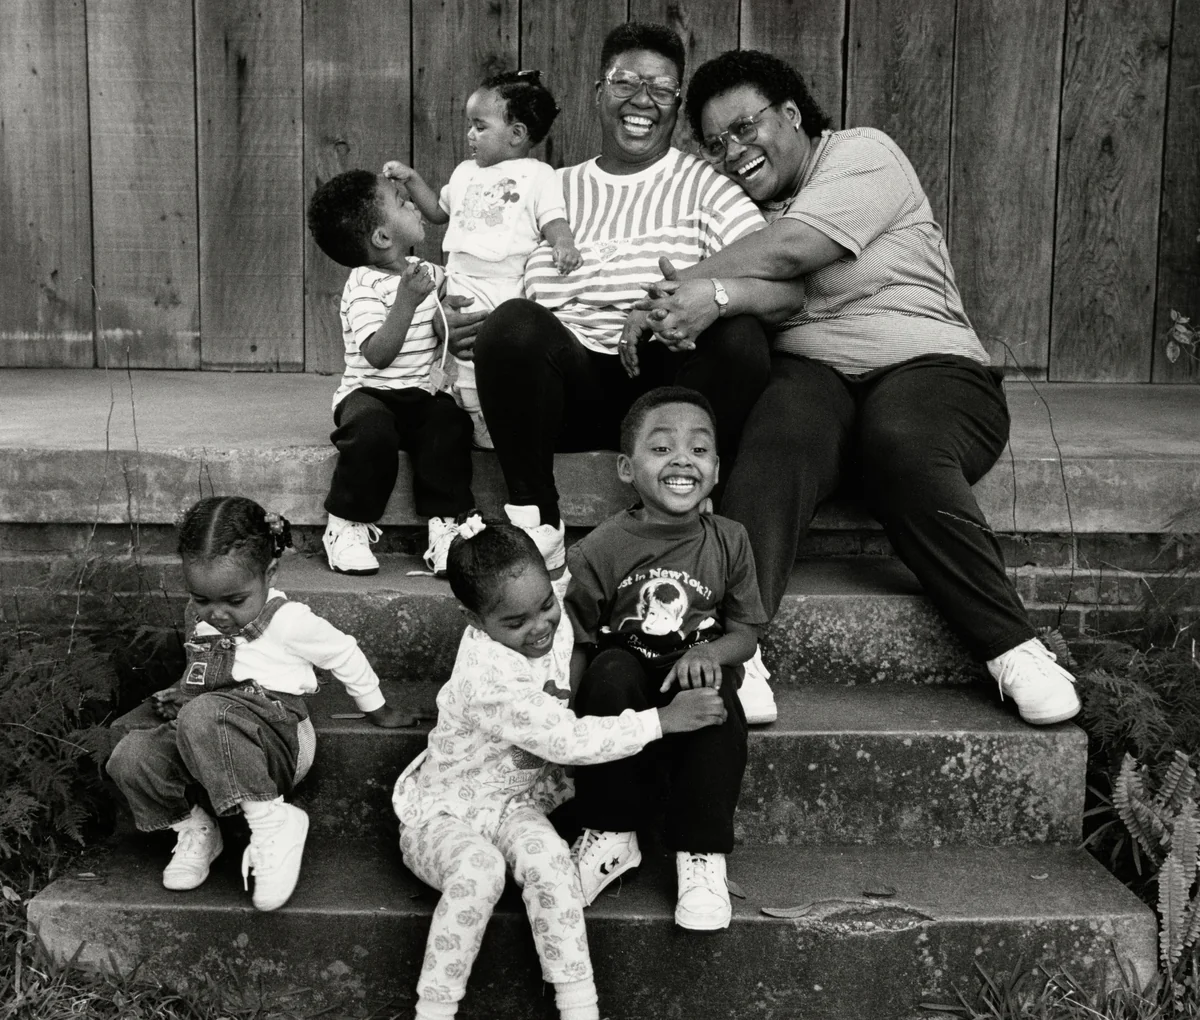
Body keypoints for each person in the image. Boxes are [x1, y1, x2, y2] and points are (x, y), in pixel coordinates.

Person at [631, 49, 1080, 726]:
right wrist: (708, 292)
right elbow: (758, 286)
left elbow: (790, 253)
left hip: (931, 368)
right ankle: (736, 649)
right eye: (718, 143)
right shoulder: (739, 213)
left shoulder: (861, 156)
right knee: (779, 430)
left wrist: (686, 284)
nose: (734, 152)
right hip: (817, 378)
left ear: (791, 114)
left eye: (746, 128)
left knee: (899, 439)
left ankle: (1011, 645)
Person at [461, 22, 811, 578]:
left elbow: (783, 286)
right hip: (570, 387)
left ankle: (676, 525)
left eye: (663, 88)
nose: (642, 100)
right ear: (599, 92)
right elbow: (481, 271)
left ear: (677, 103)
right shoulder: (547, 188)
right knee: (511, 324)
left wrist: (704, 297)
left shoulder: (707, 185)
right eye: (625, 82)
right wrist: (456, 316)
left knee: (738, 335)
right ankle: (538, 526)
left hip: (670, 384)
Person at [393, 517, 726, 1020]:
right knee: (480, 874)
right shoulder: (488, 678)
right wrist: (662, 720)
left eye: (546, 604)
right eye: (516, 621)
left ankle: (579, 1007)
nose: (541, 625)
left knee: (553, 865)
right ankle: (434, 1010)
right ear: (474, 619)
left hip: (513, 805)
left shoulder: (551, 618)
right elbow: (567, 739)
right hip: (444, 815)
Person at [105, 496, 409, 911]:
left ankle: (272, 824)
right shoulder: (207, 620)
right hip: (208, 736)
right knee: (131, 755)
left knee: (205, 713)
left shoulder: (288, 620)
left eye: (234, 601)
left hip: (277, 739)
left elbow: (344, 653)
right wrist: (184, 691)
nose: (217, 614)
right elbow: (210, 671)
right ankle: (196, 829)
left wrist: (378, 708)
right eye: (201, 599)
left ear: (270, 573)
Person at [565, 387, 768, 931]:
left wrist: (711, 650)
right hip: (626, 688)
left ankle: (700, 856)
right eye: (662, 449)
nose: (683, 459)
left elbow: (746, 632)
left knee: (717, 692)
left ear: (717, 469)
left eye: (699, 450)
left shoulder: (730, 539)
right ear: (628, 469)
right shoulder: (599, 549)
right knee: (608, 670)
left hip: (694, 681)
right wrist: (564, 718)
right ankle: (610, 835)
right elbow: (580, 641)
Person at [382, 69, 581, 449]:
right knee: (460, 354)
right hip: (461, 277)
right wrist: (412, 180)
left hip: (506, 284)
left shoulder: (538, 176)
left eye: (480, 126)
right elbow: (439, 213)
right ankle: (470, 414)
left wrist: (564, 244)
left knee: (492, 352)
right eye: (469, 126)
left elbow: (553, 218)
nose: (469, 135)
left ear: (517, 134)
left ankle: (494, 415)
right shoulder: (464, 174)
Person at [307, 169, 476, 578]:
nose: (414, 204)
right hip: (370, 392)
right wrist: (406, 301)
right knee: (370, 431)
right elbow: (377, 355)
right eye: (402, 202)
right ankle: (347, 523)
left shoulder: (428, 273)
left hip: (420, 392)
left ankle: (446, 528)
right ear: (382, 238)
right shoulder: (363, 285)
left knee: (450, 423)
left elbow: (440, 327)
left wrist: (448, 318)